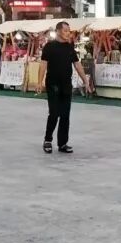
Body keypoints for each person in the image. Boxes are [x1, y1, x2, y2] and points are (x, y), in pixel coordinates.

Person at [40, 21, 91, 154]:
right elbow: (43, 64)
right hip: (53, 84)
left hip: (66, 85)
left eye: (69, 31)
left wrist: (85, 80)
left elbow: (77, 64)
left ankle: (62, 143)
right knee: (54, 113)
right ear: (58, 31)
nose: (68, 33)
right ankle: (47, 140)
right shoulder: (49, 46)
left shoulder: (69, 47)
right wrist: (39, 82)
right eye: (65, 30)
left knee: (65, 115)